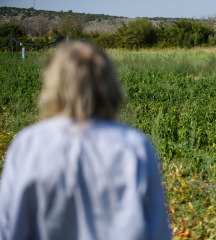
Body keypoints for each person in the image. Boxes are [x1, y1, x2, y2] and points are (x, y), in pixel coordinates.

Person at [0, 41, 171, 240]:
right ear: (107, 83)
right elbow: (157, 230)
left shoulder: (28, 145)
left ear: (55, 84)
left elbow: (9, 228)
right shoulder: (135, 146)